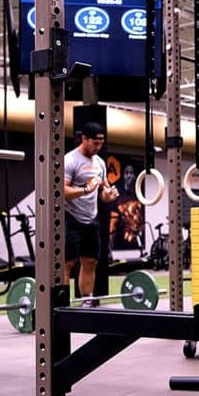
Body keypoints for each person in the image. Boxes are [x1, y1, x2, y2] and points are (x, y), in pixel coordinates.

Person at [64, 122, 119, 307]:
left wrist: (108, 196)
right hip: (70, 217)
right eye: (94, 143)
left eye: (100, 143)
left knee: (90, 262)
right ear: (84, 139)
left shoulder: (100, 163)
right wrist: (85, 189)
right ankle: (61, 303)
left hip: (91, 218)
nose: (98, 147)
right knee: (67, 263)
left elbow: (103, 193)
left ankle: (87, 301)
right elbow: (62, 190)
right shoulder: (70, 160)